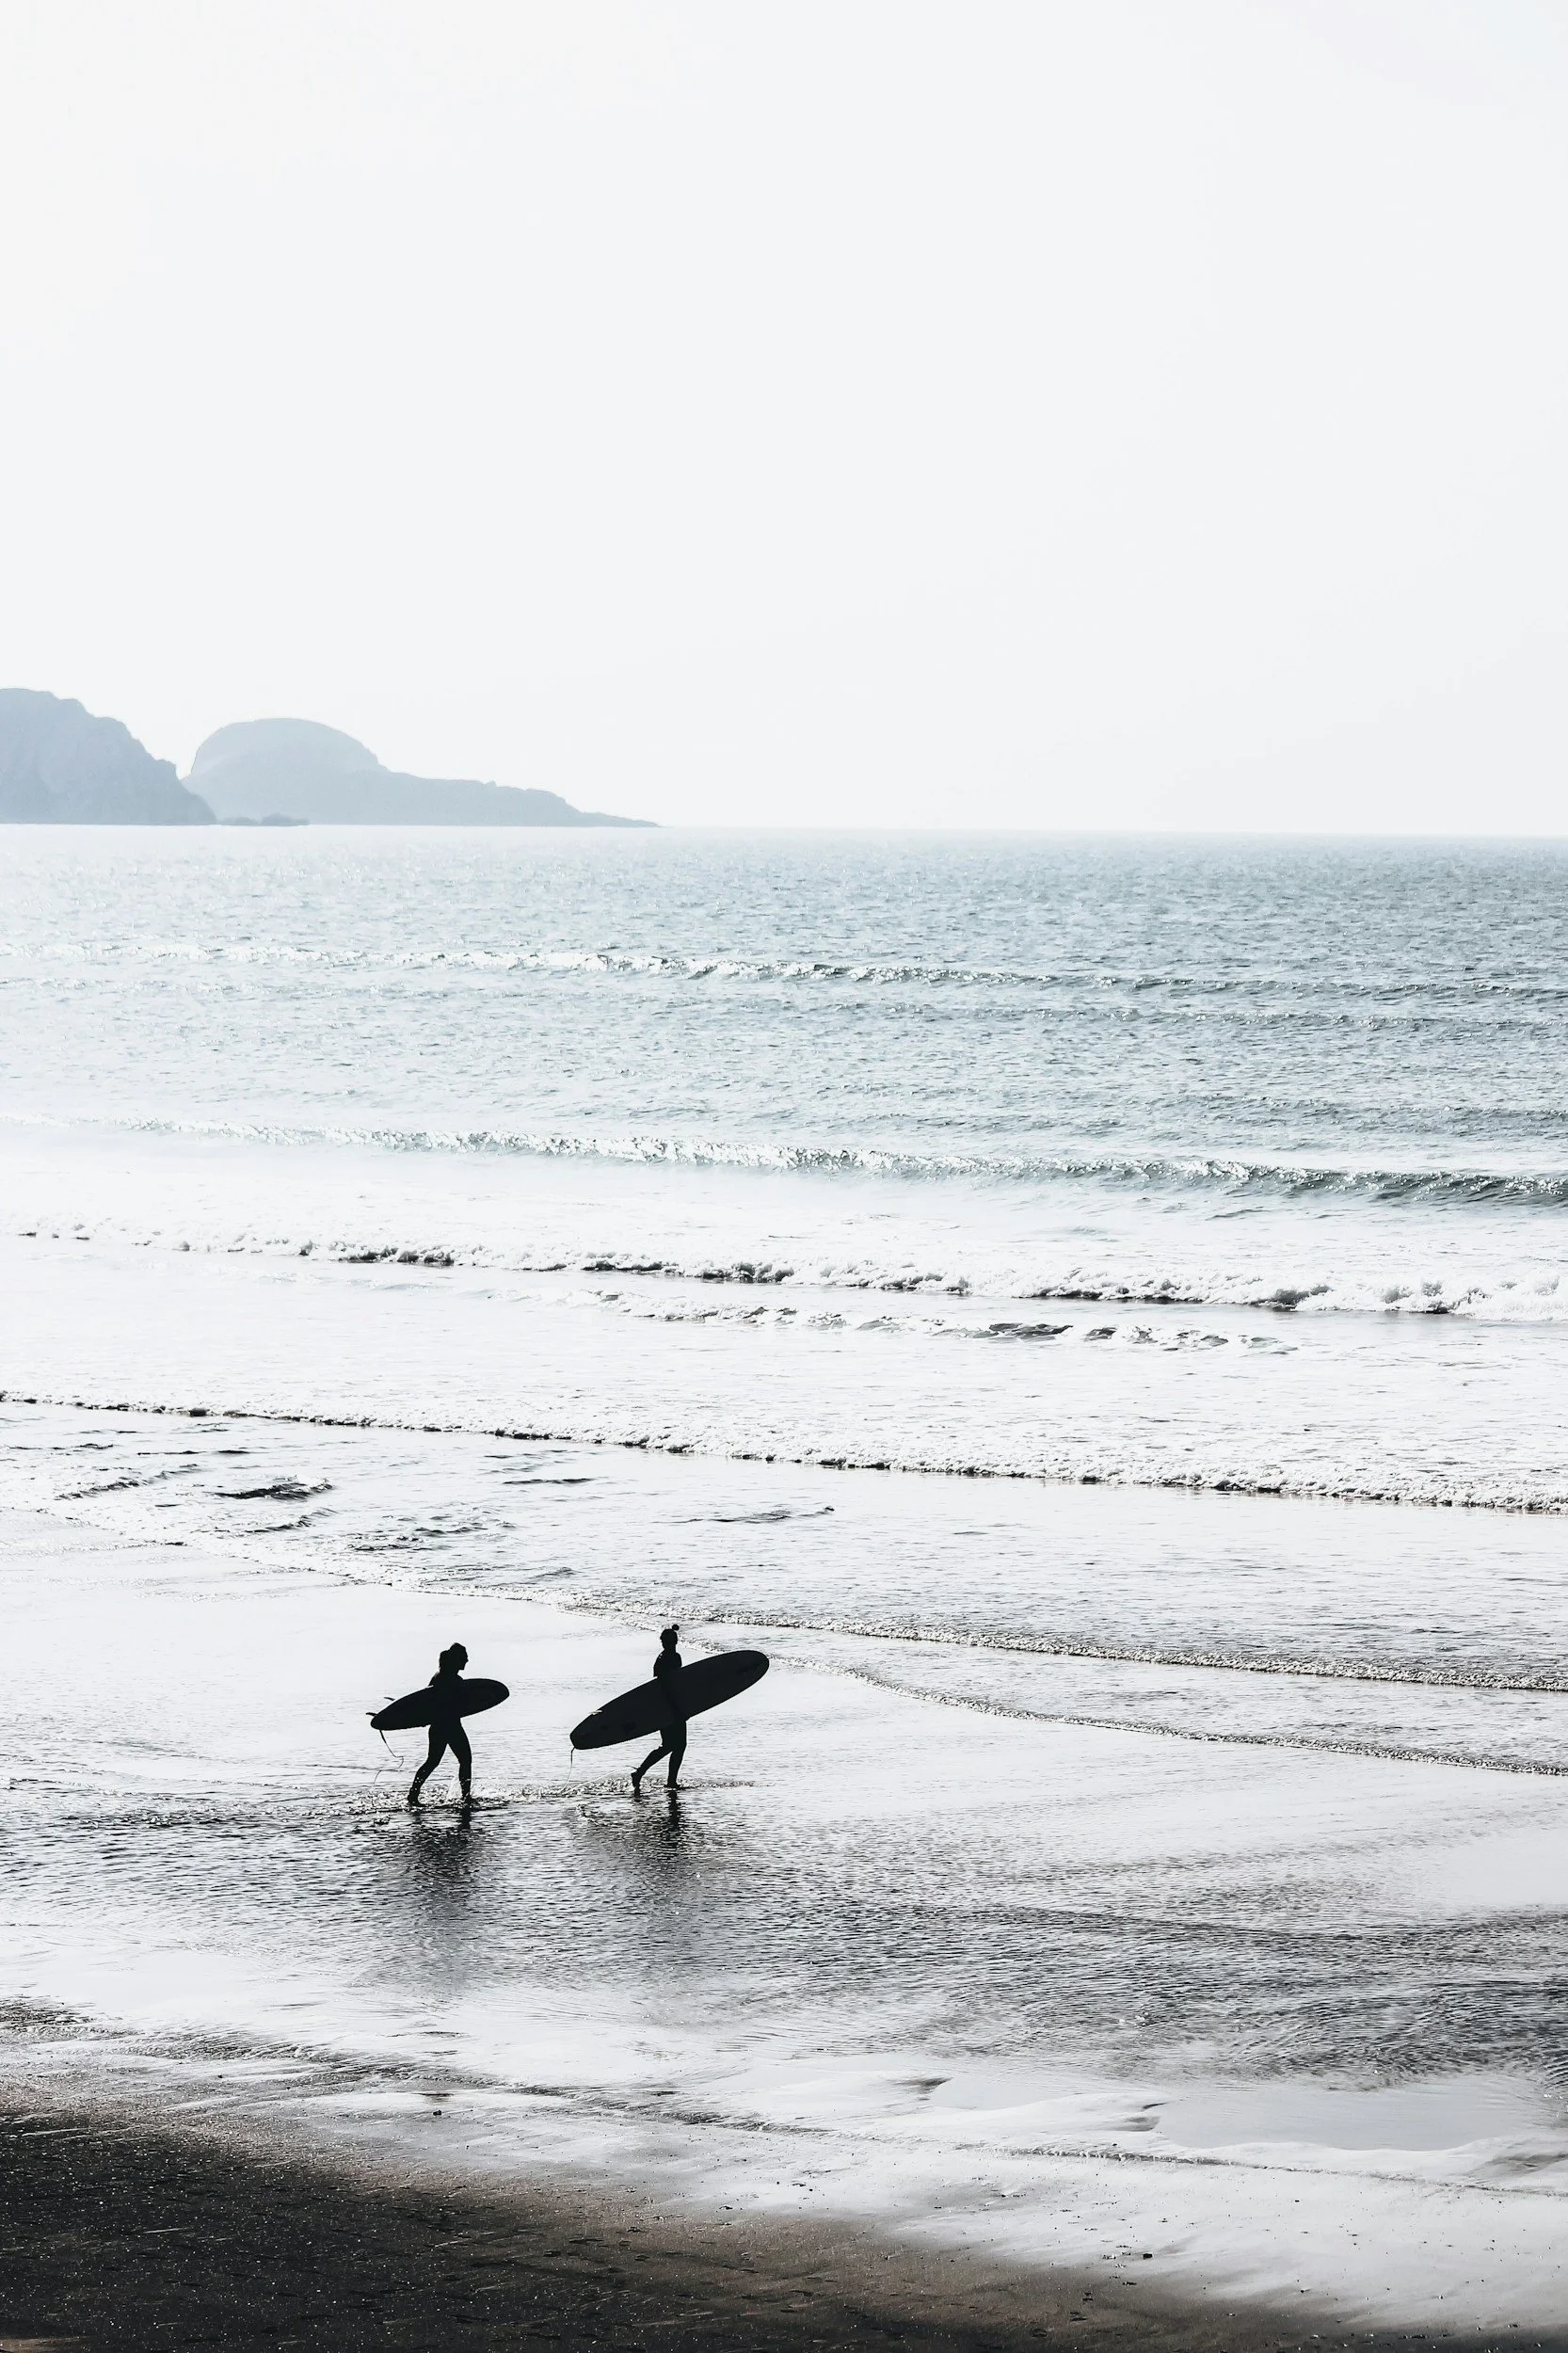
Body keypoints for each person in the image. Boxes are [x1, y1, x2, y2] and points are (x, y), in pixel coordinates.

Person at [408, 1642, 473, 1807]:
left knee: (432, 1761)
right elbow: (463, 1703)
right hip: (451, 1726)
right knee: (465, 1760)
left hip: (437, 1727)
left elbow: (426, 1701)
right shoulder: (454, 1680)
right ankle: (466, 1798)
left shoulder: (438, 1676)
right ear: (457, 1659)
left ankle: (413, 1793)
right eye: (464, 1657)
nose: (467, 1660)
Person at [631, 1625, 686, 1793]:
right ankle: (644, 1774)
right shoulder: (670, 1658)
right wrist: (678, 1708)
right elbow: (667, 1686)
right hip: (669, 1707)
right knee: (674, 1745)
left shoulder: (666, 1657)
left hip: (666, 1707)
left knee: (673, 1745)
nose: (671, 1644)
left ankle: (655, 1777)